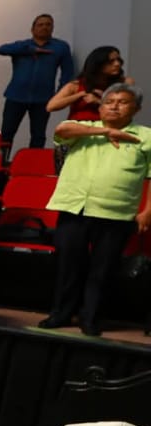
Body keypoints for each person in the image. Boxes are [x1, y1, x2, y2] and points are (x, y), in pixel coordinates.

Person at [39, 83, 151, 336]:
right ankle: (61, 313)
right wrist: (105, 132)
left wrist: (148, 211)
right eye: (108, 102)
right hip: (74, 206)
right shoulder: (84, 128)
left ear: (137, 109)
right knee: (68, 265)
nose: (114, 106)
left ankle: (90, 318)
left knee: (103, 269)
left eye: (122, 102)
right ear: (100, 108)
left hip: (116, 211)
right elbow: (61, 129)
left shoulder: (146, 136)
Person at [0, 14, 73, 153]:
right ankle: (2, 163)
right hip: (16, 96)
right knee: (7, 132)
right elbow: (1, 49)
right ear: (32, 29)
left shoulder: (60, 47)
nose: (44, 27)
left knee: (38, 135)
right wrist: (29, 50)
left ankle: (33, 163)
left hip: (43, 99)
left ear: (53, 28)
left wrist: (60, 94)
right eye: (40, 24)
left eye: (48, 24)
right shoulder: (23, 45)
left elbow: (67, 72)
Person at [46, 45, 132, 125]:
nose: (117, 64)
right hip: (79, 128)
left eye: (118, 60)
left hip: (109, 127)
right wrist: (80, 94)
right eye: (111, 62)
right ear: (98, 64)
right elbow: (51, 106)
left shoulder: (124, 83)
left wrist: (100, 101)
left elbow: (129, 108)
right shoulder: (76, 85)